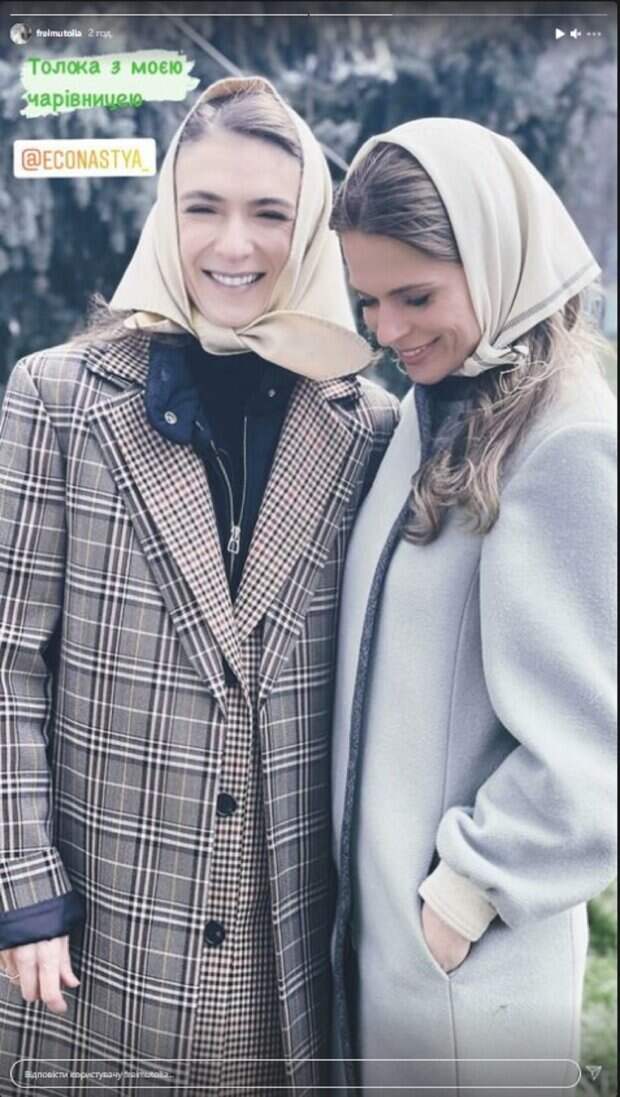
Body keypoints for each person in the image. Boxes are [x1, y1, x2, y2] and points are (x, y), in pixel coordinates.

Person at [0, 75, 398, 1097]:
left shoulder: (367, 424)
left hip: (284, 950)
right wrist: (24, 887)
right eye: (203, 207)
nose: (234, 244)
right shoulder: (57, 396)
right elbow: (8, 664)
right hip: (96, 936)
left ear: (309, 226)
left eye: (270, 213)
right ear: (164, 215)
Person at [328, 118, 617, 1096]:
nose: (388, 331)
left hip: (467, 977)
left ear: (496, 257)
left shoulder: (564, 441)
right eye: (369, 300)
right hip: (395, 963)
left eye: (415, 296)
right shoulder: (436, 404)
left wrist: (461, 898)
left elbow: (594, 745)